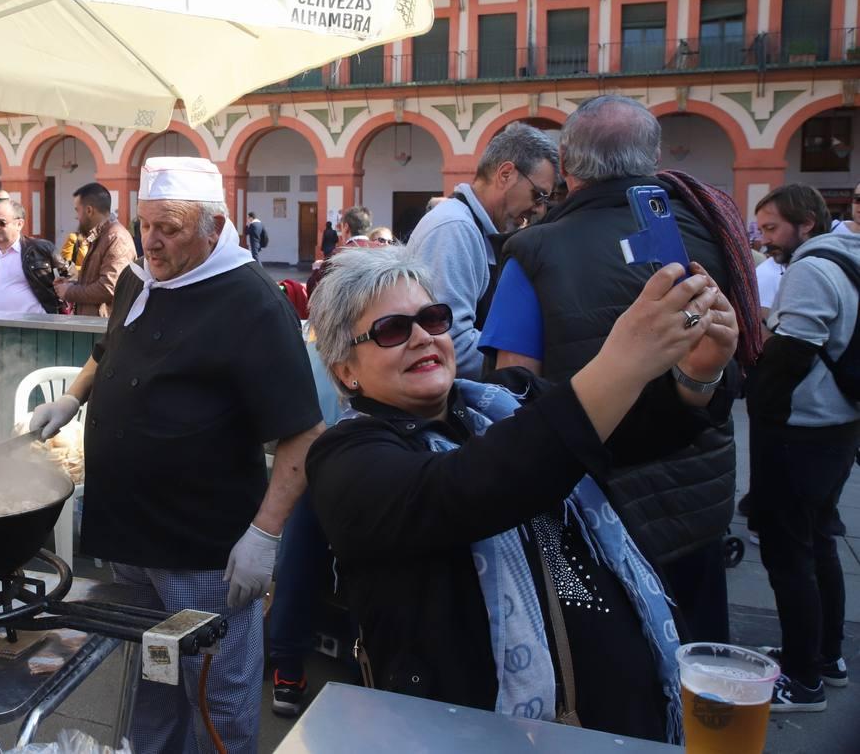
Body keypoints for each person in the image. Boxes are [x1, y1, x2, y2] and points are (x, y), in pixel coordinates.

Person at [304, 244, 737, 743]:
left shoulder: (508, 398)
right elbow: (474, 486)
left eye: (432, 319)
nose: (422, 337)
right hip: (473, 734)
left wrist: (696, 372)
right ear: (345, 371)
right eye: (392, 330)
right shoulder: (344, 458)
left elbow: (624, 427)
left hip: (624, 718)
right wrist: (624, 359)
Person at [26, 157, 325, 754]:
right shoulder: (141, 277)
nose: (152, 241)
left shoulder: (253, 301)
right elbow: (111, 347)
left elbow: (304, 433)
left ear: (214, 227)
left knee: (214, 695)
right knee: (151, 679)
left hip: (203, 550)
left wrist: (264, 537)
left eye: (170, 228)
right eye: (145, 224)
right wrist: (73, 398)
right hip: (129, 537)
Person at [480, 95, 760, 646]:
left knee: (608, 677)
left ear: (566, 162)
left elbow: (511, 392)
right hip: (698, 497)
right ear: (652, 157)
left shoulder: (535, 250)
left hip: (595, 512)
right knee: (696, 662)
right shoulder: (711, 227)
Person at [748, 184, 859, 711]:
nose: (764, 241)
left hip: (803, 429)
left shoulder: (812, 269)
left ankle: (802, 678)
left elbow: (792, 353)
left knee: (789, 554)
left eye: (772, 229)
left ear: (806, 223)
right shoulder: (846, 256)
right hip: (836, 426)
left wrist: (756, 398)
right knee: (819, 542)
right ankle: (823, 656)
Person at [407, 121, 558, 380]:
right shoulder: (455, 228)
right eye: (538, 195)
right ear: (506, 174)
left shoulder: (469, 226)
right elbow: (451, 340)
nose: (539, 209)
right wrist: (523, 361)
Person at [53, 182, 135, 317]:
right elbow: (95, 282)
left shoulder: (116, 238)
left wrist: (69, 292)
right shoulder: (101, 236)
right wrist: (72, 284)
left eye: (77, 210)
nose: (76, 217)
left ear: (89, 210)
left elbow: (109, 288)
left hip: (104, 329)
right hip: (93, 326)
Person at [305, 205, 374, 299]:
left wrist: (316, 270)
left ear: (346, 227)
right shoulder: (383, 250)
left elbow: (314, 289)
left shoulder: (338, 255)